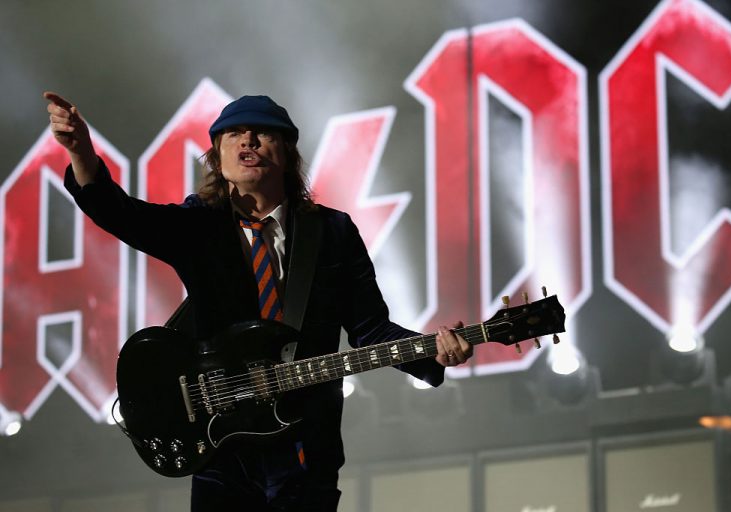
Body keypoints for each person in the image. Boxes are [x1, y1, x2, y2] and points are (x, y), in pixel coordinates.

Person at [44, 91, 474, 511]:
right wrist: (81, 152)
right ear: (218, 159)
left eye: (263, 133)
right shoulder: (199, 225)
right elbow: (121, 214)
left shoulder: (333, 232)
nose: (247, 140)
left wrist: (432, 352)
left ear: (287, 154)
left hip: (306, 441)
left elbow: (370, 329)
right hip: (222, 446)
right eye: (234, 134)